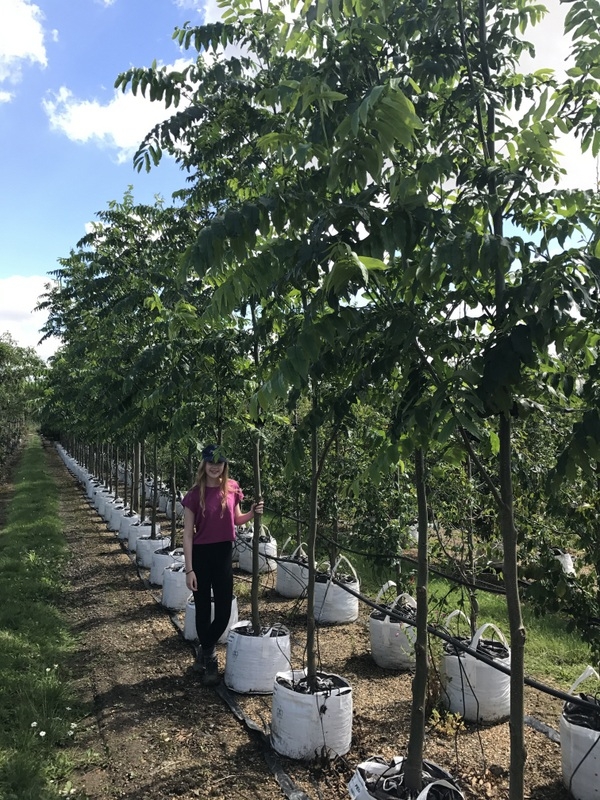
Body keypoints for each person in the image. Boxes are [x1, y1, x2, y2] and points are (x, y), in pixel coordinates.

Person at [182, 443, 264, 686]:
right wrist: (189, 569)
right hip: (200, 555)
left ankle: (203, 649)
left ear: (225, 465)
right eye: (211, 462)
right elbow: (187, 534)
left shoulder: (232, 488)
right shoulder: (194, 495)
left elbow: (236, 520)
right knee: (204, 609)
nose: (215, 467)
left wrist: (252, 513)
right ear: (204, 465)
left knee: (225, 612)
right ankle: (209, 657)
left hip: (224, 554)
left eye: (219, 463)